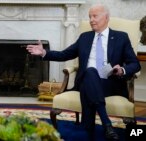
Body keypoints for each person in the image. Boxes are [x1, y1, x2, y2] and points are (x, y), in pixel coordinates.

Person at [27, 4, 141, 140]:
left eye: (95, 16)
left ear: (106, 18)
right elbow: (64, 54)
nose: (91, 20)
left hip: (111, 83)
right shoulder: (85, 37)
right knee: (91, 72)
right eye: (89, 17)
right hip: (86, 81)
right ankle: (107, 125)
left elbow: (135, 64)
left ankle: (90, 127)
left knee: (90, 77)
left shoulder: (121, 37)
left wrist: (122, 70)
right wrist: (44, 53)